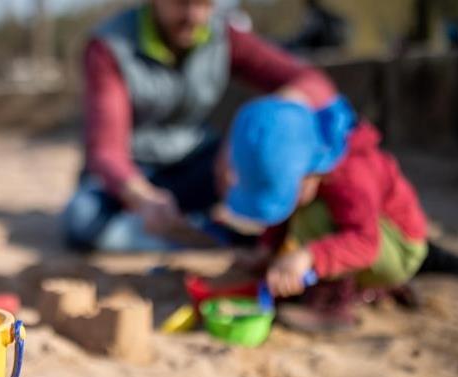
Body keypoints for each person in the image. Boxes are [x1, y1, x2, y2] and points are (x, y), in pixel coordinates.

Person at [62, 0, 337, 252]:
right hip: (134, 173)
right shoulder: (109, 45)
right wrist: (143, 197)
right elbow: (106, 151)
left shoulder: (225, 36)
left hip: (198, 163)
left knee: (265, 162)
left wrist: (250, 128)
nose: (194, 16)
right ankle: (193, 232)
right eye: (181, 2)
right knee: (82, 221)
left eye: (204, 3)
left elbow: (313, 82)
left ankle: (198, 230)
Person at [222, 95, 430, 332]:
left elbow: (364, 242)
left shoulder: (352, 175)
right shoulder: (312, 169)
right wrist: (266, 249)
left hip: (398, 248)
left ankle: (332, 305)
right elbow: (288, 208)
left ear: (309, 169)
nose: (287, 200)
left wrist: (307, 256)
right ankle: (370, 289)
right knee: (306, 209)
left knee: (313, 215)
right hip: (371, 241)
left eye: (288, 192)